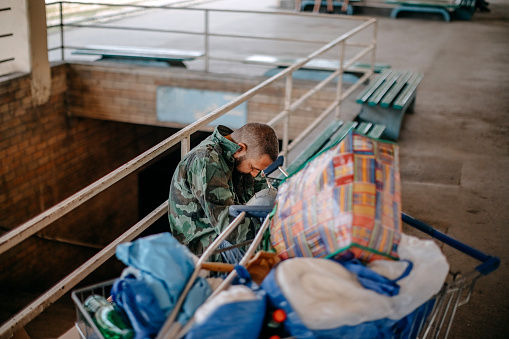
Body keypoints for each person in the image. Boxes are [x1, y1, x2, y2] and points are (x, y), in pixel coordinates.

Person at [168, 123, 279, 261]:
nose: (255, 174)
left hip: (229, 236)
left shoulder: (239, 157)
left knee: (269, 198)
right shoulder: (207, 161)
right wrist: (274, 241)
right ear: (240, 148)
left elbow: (264, 193)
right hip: (206, 251)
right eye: (253, 168)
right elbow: (226, 223)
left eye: (259, 170)